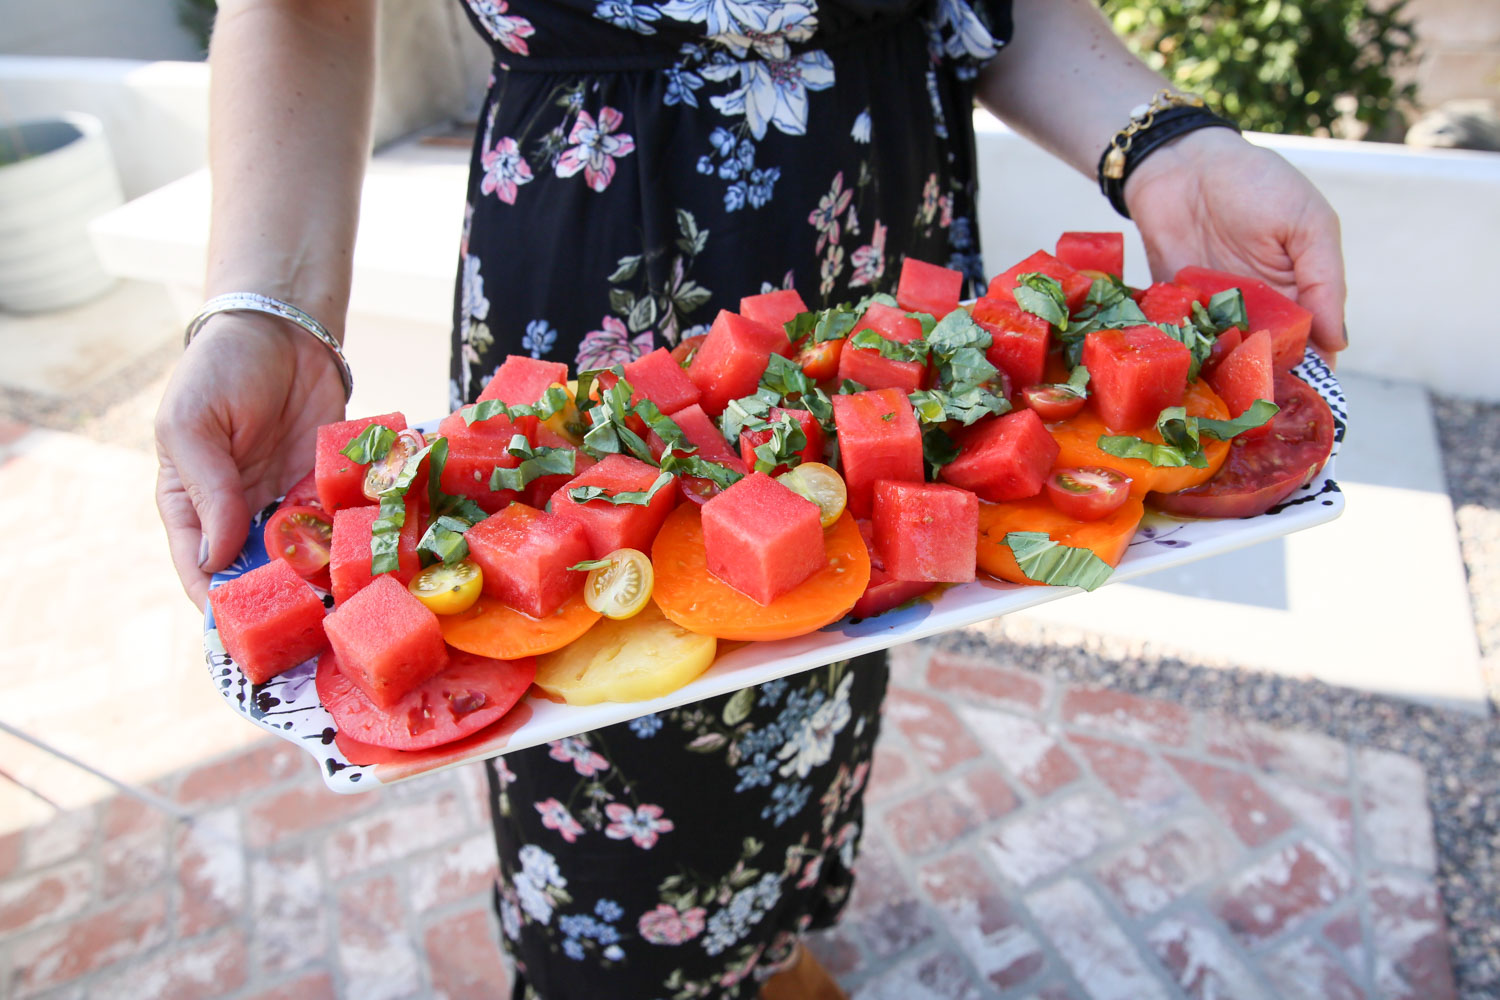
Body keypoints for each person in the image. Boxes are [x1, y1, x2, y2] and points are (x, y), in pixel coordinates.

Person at [155, 1, 1346, 997]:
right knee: (609, 735)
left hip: (879, 254)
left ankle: (767, 942)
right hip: (602, 293)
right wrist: (269, 307)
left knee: (835, 626)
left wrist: (1167, 142)